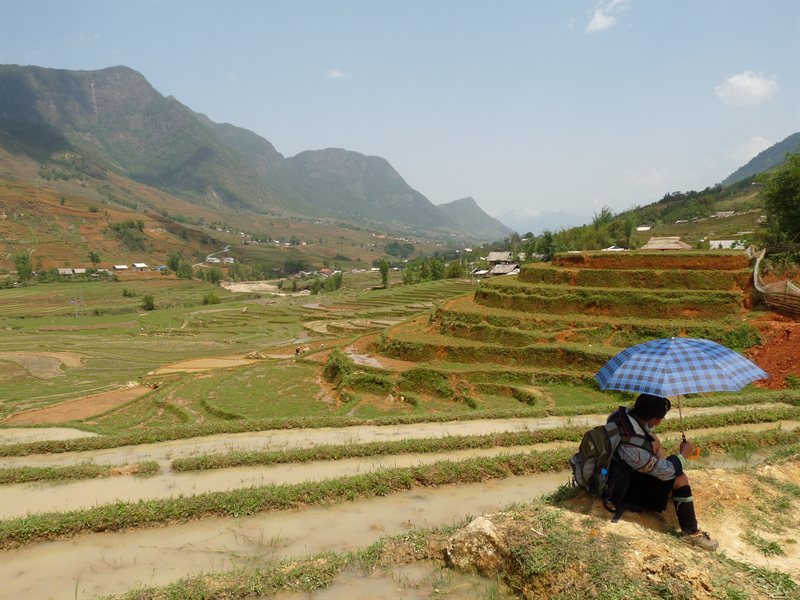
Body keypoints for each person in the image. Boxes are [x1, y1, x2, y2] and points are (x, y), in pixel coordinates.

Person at [604, 393, 718, 550]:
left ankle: (659, 479)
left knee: (654, 441)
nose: (660, 421)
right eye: (660, 418)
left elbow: (650, 440)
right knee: (679, 478)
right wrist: (683, 455)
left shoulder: (619, 416)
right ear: (652, 419)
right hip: (619, 488)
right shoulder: (632, 447)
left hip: (614, 468)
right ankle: (691, 534)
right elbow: (668, 471)